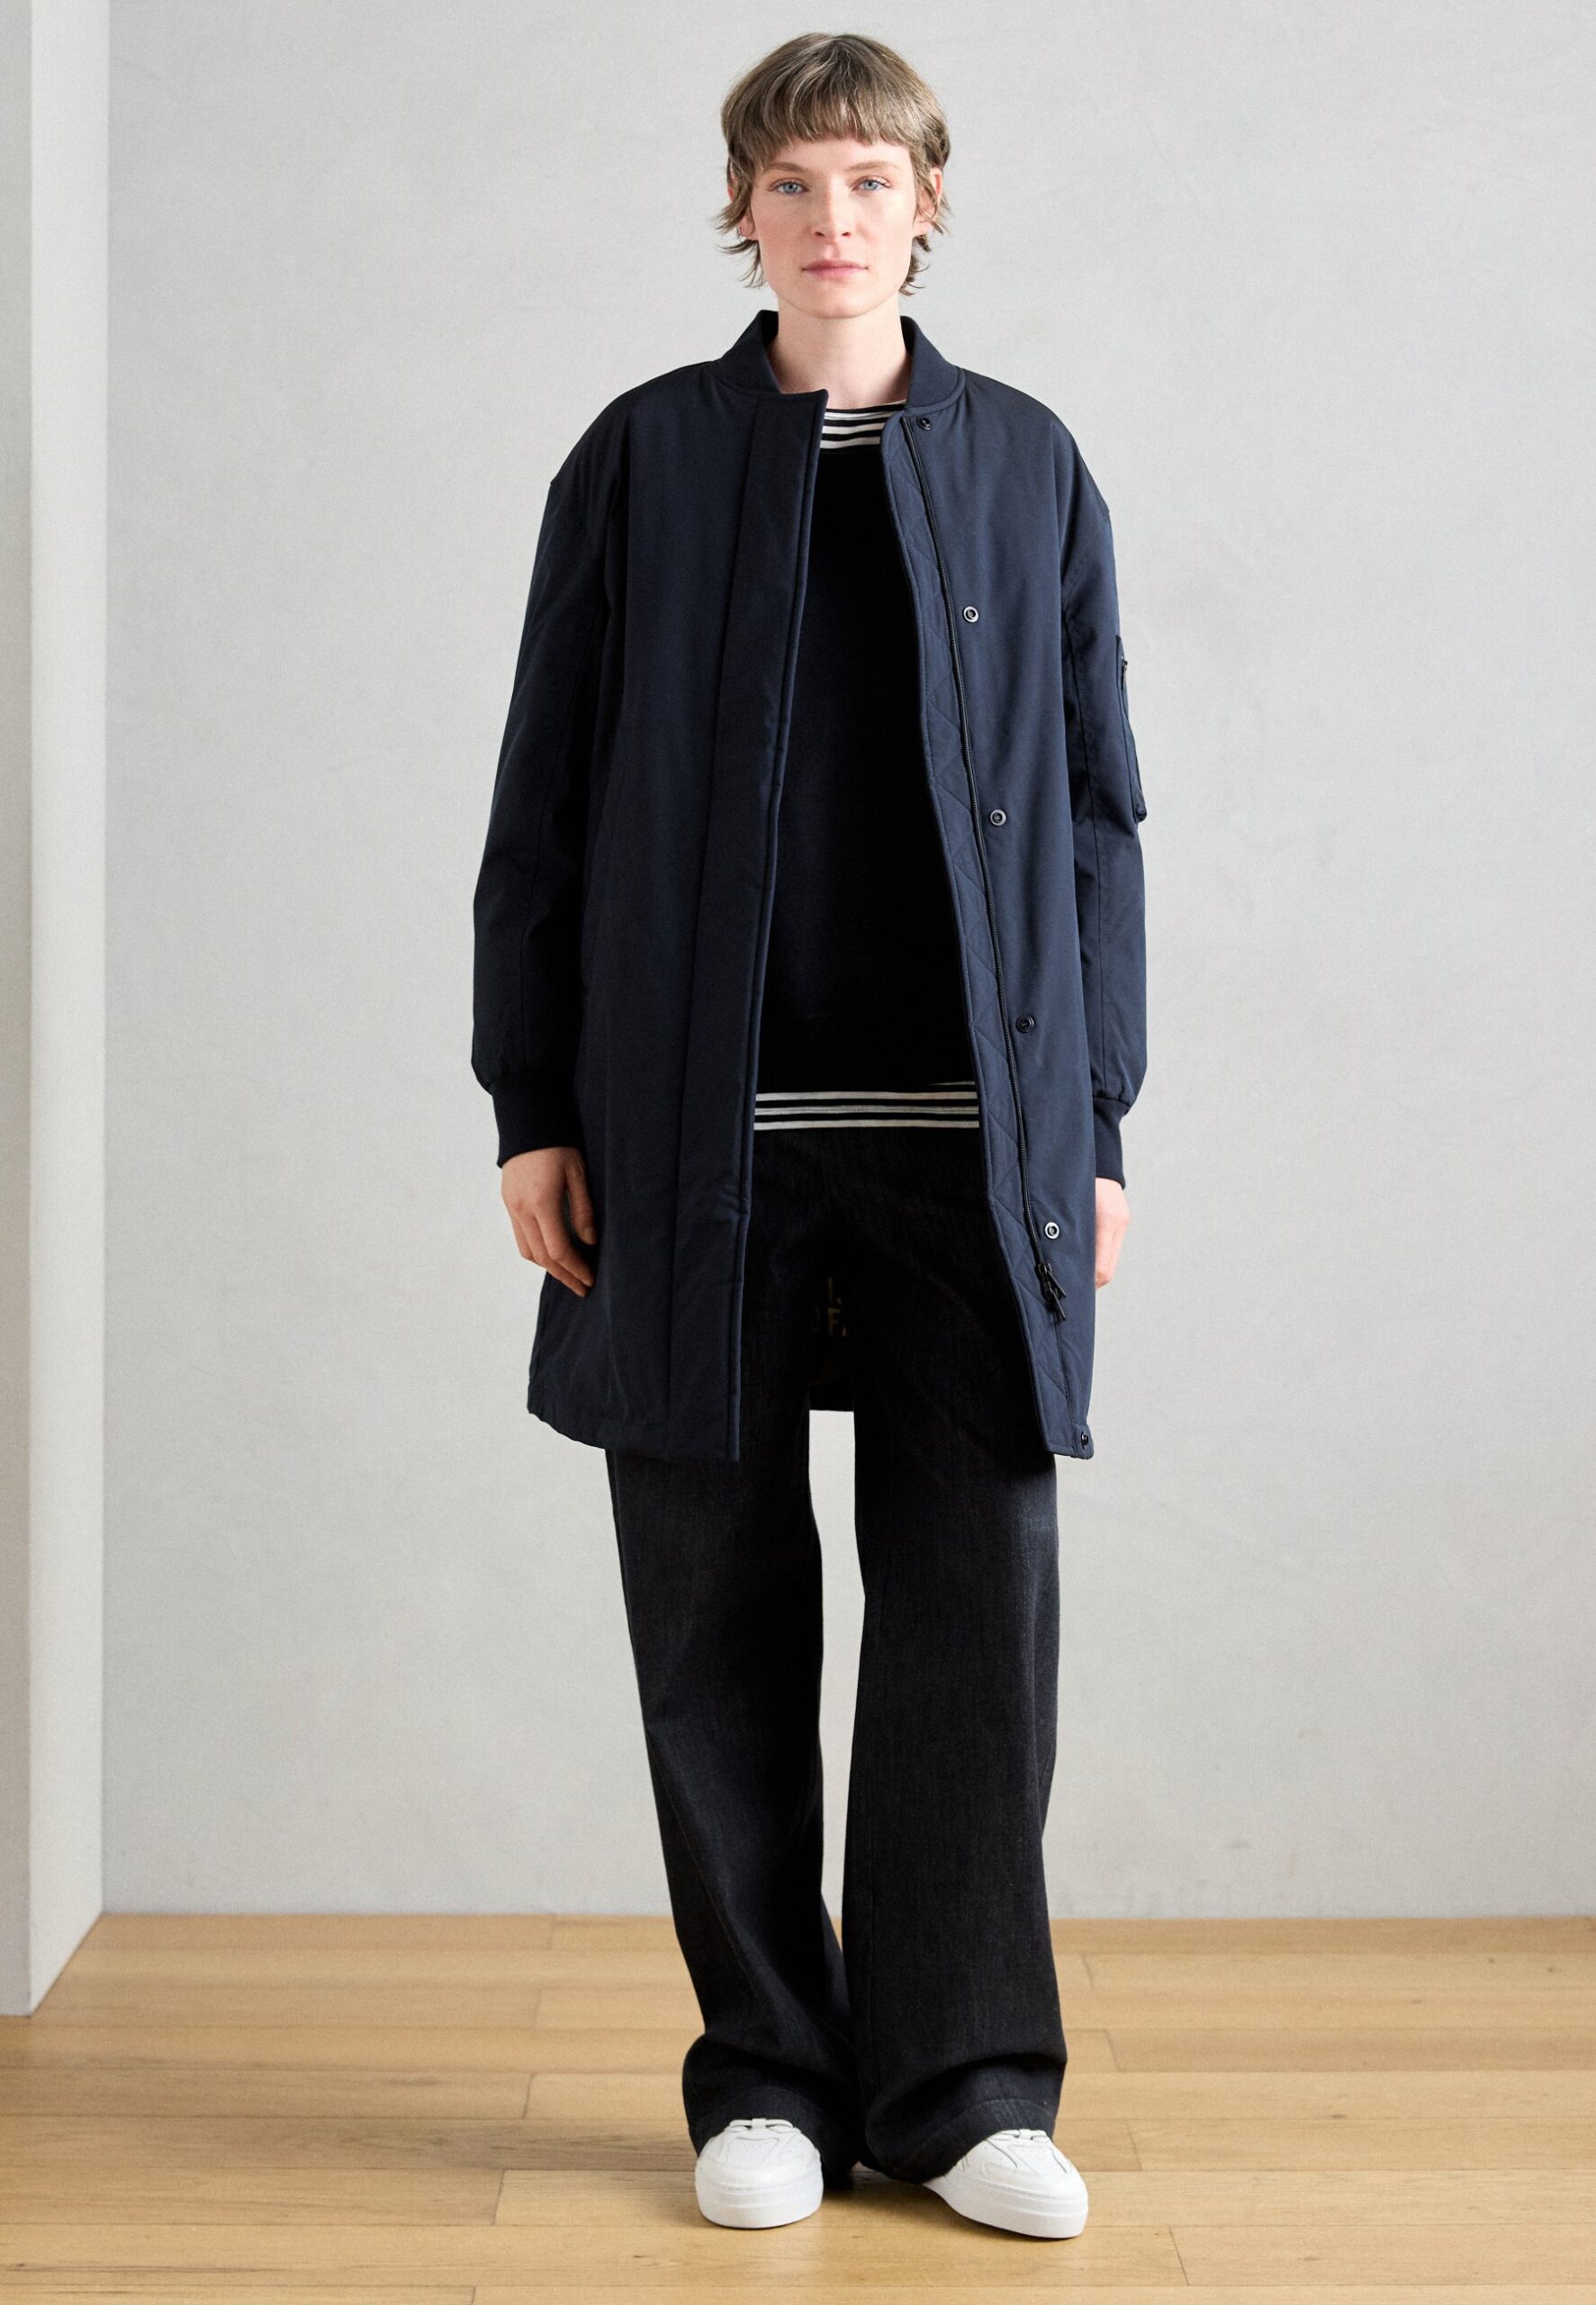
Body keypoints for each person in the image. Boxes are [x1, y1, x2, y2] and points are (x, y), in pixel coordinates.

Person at [471, 31, 1147, 2246]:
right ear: (741, 212)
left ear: (923, 205)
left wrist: (1096, 1120)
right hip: (695, 1134)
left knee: (975, 1606)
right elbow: (544, 794)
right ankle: (764, 2066)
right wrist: (530, 1100)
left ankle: (962, 2083)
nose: (830, 218)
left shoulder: (1027, 463)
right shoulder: (642, 461)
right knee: (713, 1603)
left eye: (867, 180)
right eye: (791, 182)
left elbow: (1093, 816)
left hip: (971, 1135)